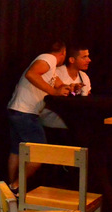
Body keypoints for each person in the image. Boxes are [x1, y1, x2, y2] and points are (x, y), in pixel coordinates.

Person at [5, 41, 70, 188]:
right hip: (25, 113)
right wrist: (53, 92)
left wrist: (70, 87)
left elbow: (60, 85)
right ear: (63, 53)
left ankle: (10, 190)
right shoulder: (49, 58)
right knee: (40, 154)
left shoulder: (50, 68)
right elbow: (31, 74)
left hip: (17, 110)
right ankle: (15, 186)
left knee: (16, 151)